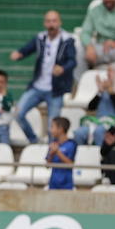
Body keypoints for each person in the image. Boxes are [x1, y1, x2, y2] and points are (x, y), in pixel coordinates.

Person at [9, 10, 76, 143]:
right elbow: (27, 49)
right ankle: (34, 140)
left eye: (54, 21)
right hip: (37, 86)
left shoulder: (67, 40)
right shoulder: (40, 38)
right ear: (45, 23)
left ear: (60, 22)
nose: (51, 24)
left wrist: (62, 68)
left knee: (53, 127)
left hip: (56, 90)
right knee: (18, 113)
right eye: (48, 21)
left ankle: (51, 150)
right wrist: (19, 53)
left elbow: (72, 61)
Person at [45, 116, 76, 189]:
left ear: (60, 129)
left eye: (52, 127)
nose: (50, 130)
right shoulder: (53, 143)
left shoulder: (71, 144)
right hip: (53, 183)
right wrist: (51, 154)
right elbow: (47, 165)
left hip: (66, 184)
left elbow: (70, 164)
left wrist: (57, 152)